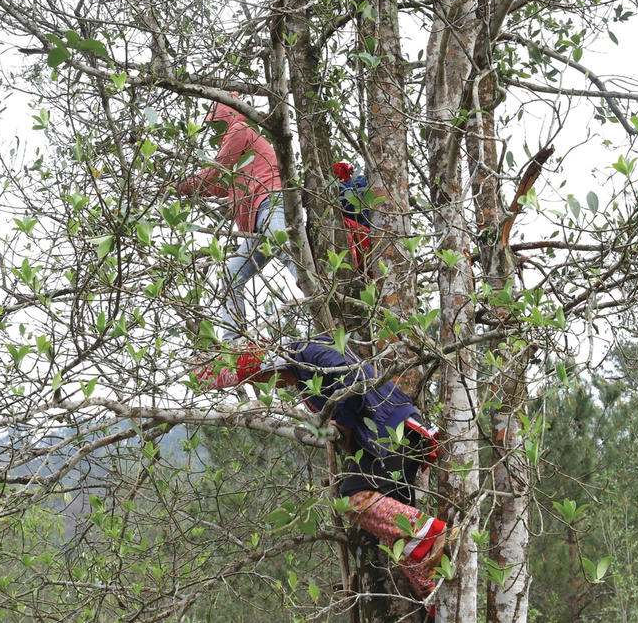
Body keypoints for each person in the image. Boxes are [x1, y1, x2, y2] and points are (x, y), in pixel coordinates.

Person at [195, 337, 453, 602]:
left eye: (260, 379)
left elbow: (355, 381)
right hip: (387, 436)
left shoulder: (309, 350)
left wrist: (343, 424)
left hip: (392, 433)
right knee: (394, 536)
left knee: (353, 497)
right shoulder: (303, 371)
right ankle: (435, 595)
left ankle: (431, 534)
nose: (270, 386)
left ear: (269, 368)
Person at [178, 98, 297, 342]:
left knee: (283, 245)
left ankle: (316, 291)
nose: (214, 130)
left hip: (269, 201)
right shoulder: (240, 153)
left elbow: (214, 172)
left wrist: (179, 186)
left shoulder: (239, 130)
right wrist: (184, 186)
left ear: (225, 116)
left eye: (215, 123)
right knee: (231, 277)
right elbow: (218, 185)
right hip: (256, 220)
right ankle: (234, 343)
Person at [333, 161, 372, 275]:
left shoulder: (359, 182)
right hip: (357, 245)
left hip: (367, 239)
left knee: (342, 225)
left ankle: (350, 272)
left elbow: (352, 201)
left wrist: (337, 190)